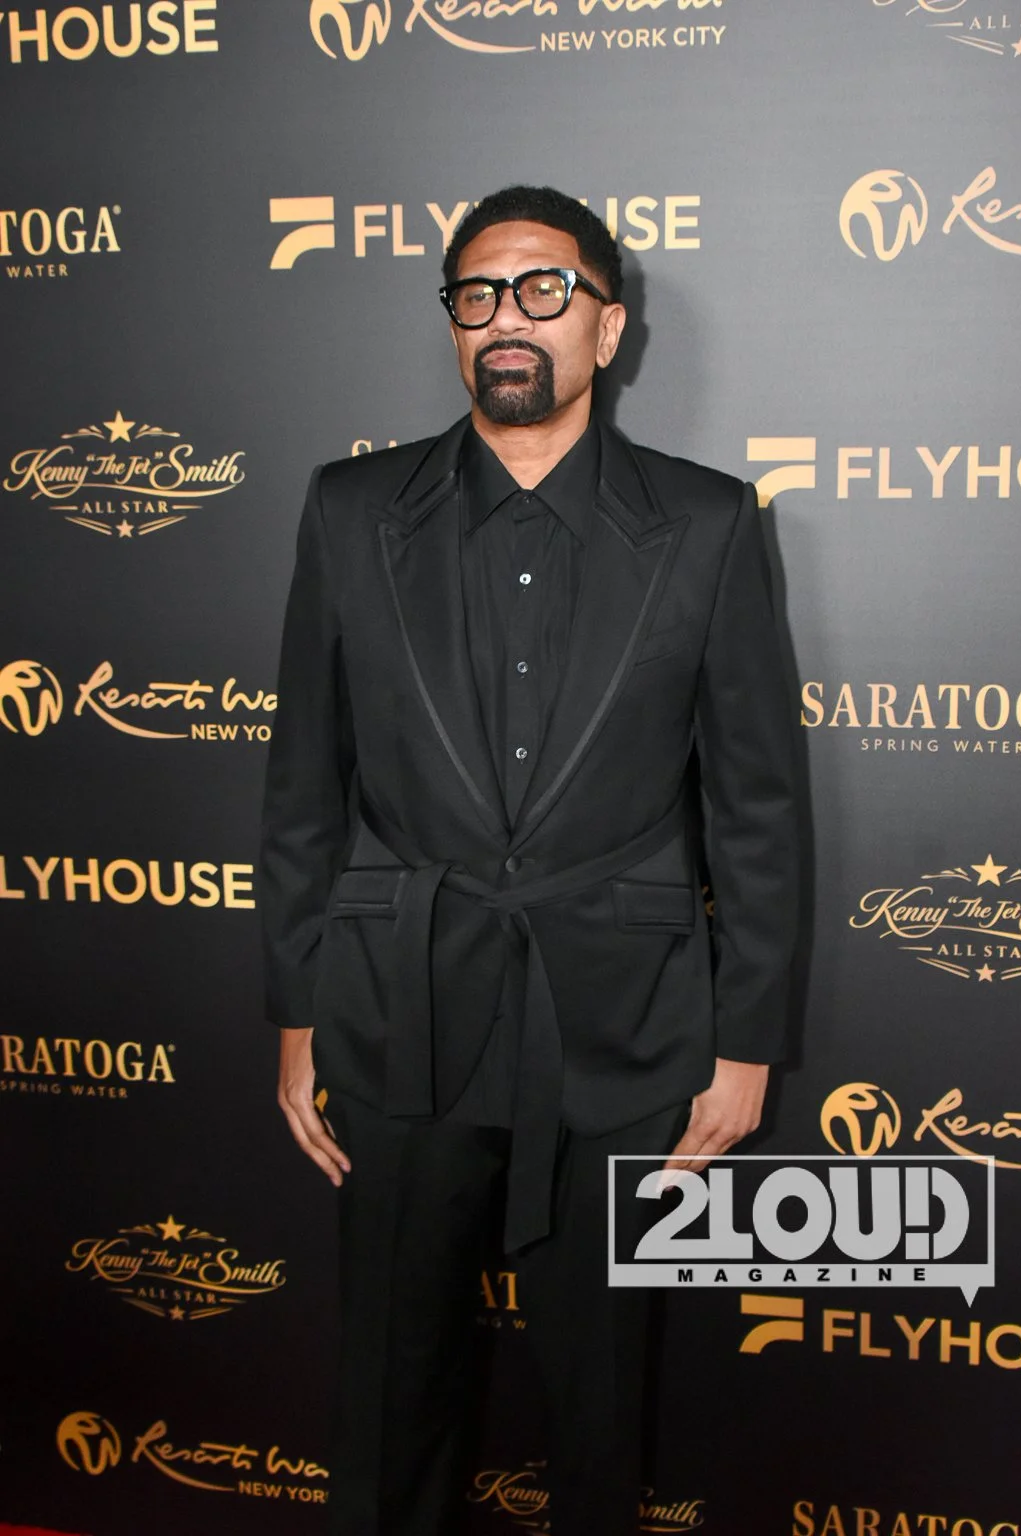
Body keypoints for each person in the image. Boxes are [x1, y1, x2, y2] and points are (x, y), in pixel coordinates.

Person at [259, 184, 800, 1536]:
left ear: (607, 328)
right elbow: (303, 784)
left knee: (601, 1394)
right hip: (398, 1006)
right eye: (478, 294)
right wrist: (298, 1007)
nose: (509, 317)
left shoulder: (711, 522)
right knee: (389, 1386)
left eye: (545, 289)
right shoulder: (349, 509)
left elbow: (757, 807)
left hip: (626, 1024)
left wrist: (746, 1045)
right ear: (454, 326)